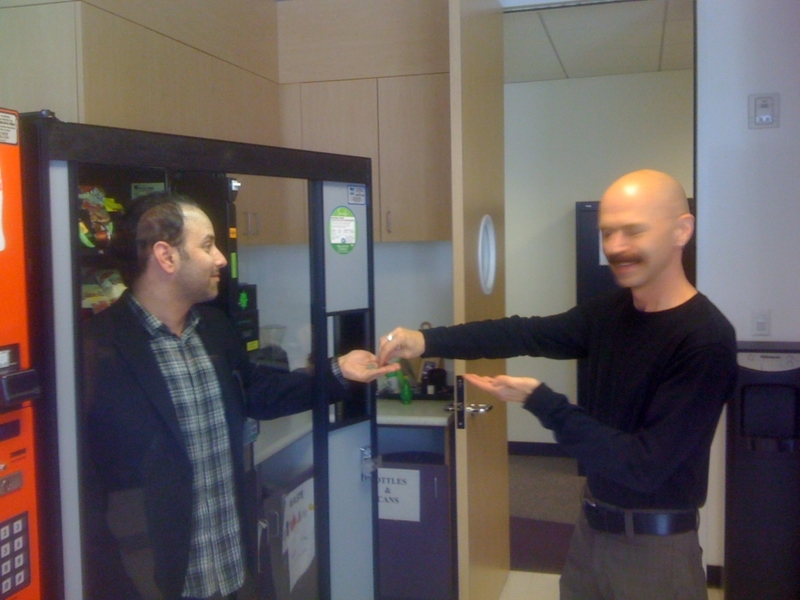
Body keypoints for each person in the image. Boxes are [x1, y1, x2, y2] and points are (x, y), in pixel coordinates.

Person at [378, 170, 737, 599]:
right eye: (607, 233)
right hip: (590, 531)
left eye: (632, 231)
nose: (615, 247)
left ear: (682, 230)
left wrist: (541, 401)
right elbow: (524, 333)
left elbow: (643, 466)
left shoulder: (705, 338)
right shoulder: (609, 313)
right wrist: (425, 341)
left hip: (656, 554)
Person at [81, 192, 396, 600]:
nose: (221, 260)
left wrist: (338, 372)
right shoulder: (99, 348)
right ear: (166, 256)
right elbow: (89, 483)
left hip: (229, 561)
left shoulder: (213, 328)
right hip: (153, 576)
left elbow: (259, 392)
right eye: (207, 245)